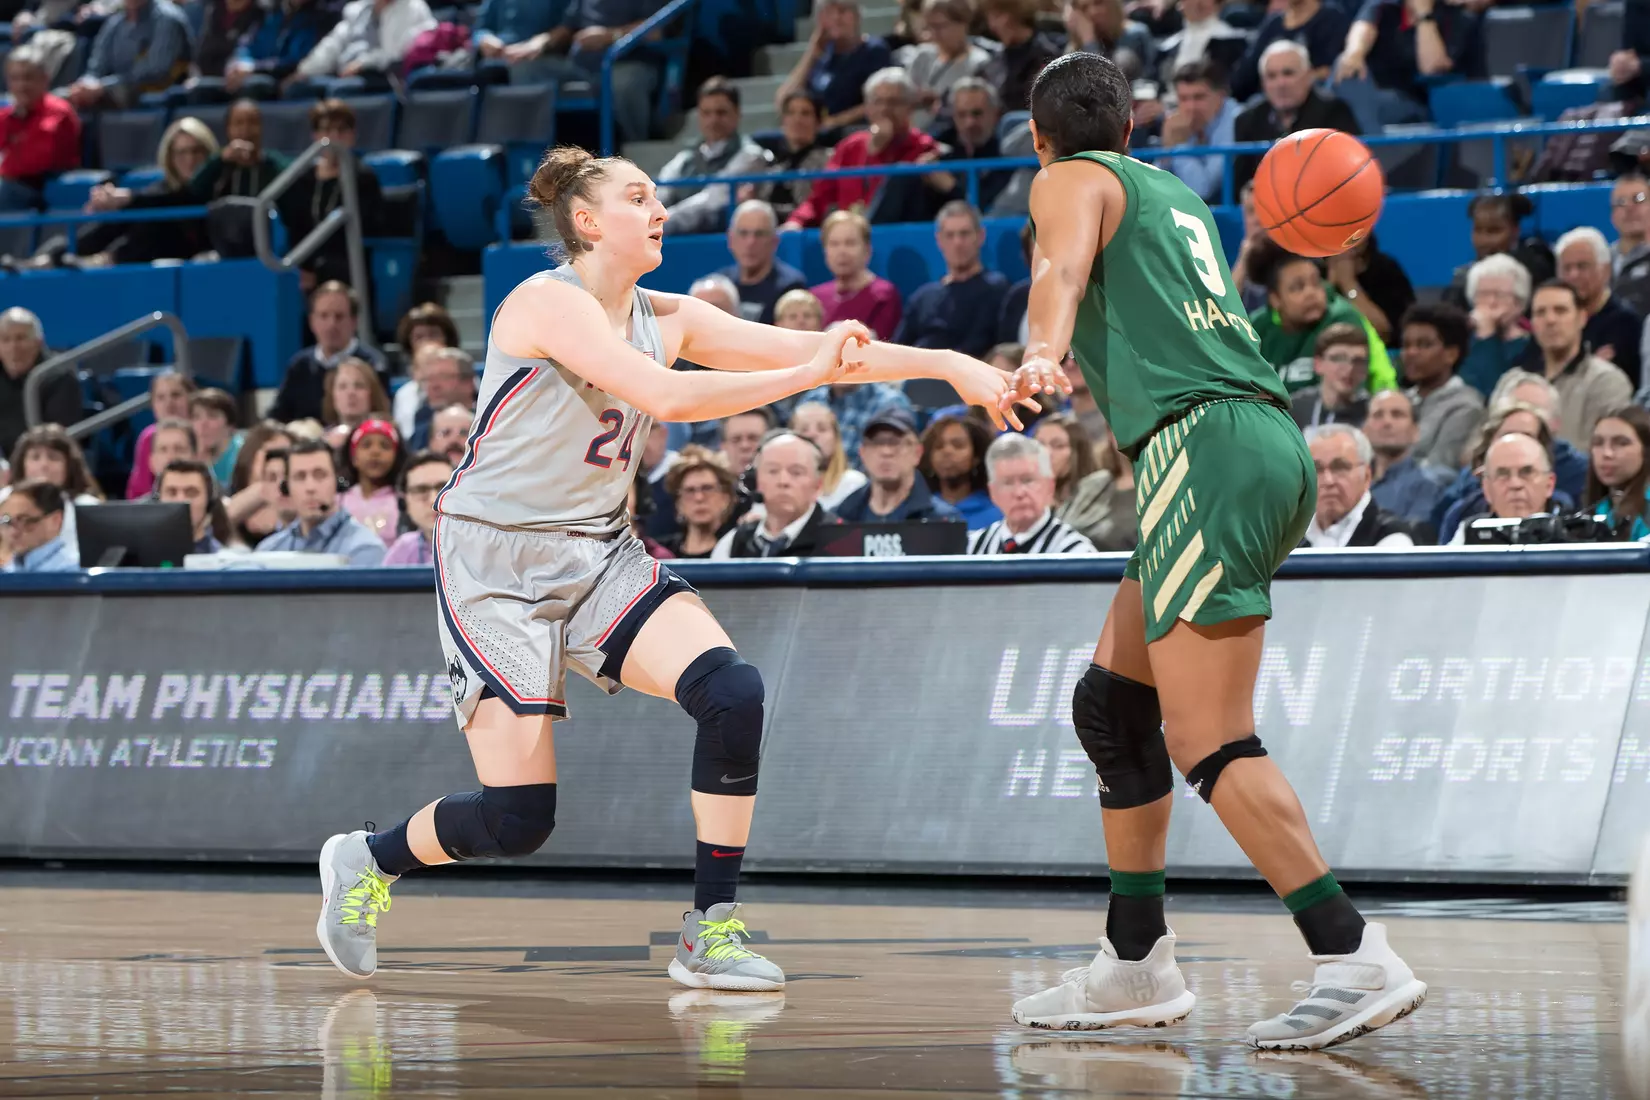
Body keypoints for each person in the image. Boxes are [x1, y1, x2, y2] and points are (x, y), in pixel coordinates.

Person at [312, 145, 1020, 990]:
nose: (660, 209)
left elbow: (830, 347)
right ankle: (367, 859)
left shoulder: (669, 314)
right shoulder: (546, 303)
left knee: (733, 693)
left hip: (599, 545)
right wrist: (810, 371)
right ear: (585, 220)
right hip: (494, 561)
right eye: (639, 196)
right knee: (517, 818)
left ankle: (709, 931)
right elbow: (673, 399)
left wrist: (948, 365)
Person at [1002, 52, 1425, 1049]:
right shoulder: (1173, 198)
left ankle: (1351, 948)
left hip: (1201, 446)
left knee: (1209, 734)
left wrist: (1039, 347)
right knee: (1112, 704)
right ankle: (1135, 957)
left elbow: (1058, 270)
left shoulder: (1065, 177)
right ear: (1135, 129)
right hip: (1249, 439)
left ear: (1038, 136)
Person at [1231, 41, 1359, 194]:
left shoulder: (1334, 111)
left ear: (1309, 76)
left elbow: (1347, 174)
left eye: (1288, 73)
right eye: (1272, 76)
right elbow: (1239, 185)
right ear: (1263, 83)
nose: (1281, 83)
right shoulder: (1247, 120)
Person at [656, 79, 774, 238]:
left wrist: (658, 224)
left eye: (721, 113)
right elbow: (659, 194)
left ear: (737, 114)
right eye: (706, 113)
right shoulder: (684, 158)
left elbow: (710, 201)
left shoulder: (751, 156)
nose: (713, 120)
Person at [895, 201, 1010, 358]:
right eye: (950, 235)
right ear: (939, 240)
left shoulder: (997, 289)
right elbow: (899, 349)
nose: (957, 243)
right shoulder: (923, 298)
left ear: (980, 236)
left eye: (964, 234)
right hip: (921, 375)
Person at [1528, 280, 1634, 448]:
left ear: (1582, 318)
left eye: (1560, 310)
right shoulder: (1514, 382)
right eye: (1540, 313)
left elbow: (1607, 454)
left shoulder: (1606, 381)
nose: (1550, 320)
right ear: (1532, 324)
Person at [270, 281, 389, 424]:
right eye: (324, 316)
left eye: (339, 316)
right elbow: (277, 418)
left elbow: (382, 415)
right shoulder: (299, 366)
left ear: (354, 321)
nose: (331, 324)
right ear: (312, 321)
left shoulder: (373, 364)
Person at [255, 438, 386, 565]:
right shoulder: (268, 551)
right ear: (286, 487)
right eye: (300, 477)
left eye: (320, 475)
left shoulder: (364, 550)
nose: (310, 487)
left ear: (338, 482)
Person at [967, 433, 1099, 554]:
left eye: (1028, 480)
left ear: (1049, 486)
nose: (1019, 493)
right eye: (1007, 483)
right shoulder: (972, 548)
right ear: (992, 492)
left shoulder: (1076, 552)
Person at [712, 432, 839, 557]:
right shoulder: (733, 544)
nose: (783, 481)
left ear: (817, 485)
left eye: (796, 472)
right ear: (757, 481)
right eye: (773, 471)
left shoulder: (844, 541)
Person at [1553, 226, 1645, 388]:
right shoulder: (1551, 320)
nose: (1573, 275)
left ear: (1606, 270)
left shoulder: (1625, 324)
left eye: (1582, 266)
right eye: (1567, 268)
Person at [836, 406, 964, 522]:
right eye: (877, 442)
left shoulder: (942, 521)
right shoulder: (841, 519)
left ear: (917, 453)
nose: (886, 451)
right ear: (862, 453)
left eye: (896, 442)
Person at [1301, 424, 1420, 548]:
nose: (1328, 480)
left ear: (1367, 476)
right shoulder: (1290, 535)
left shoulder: (1392, 538)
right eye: (1316, 469)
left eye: (1340, 467)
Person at [1399, 303, 1482, 472]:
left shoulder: (1466, 407)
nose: (1411, 352)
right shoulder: (1398, 401)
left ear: (1451, 354)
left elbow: (1440, 471)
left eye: (1424, 345)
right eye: (1406, 345)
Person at [1036, 412, 1136, 550]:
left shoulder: (1157, 488)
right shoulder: (1091, 484)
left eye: (1058, 445)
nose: (1046, 453)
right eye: (1039, 444)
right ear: (1108, 433)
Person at [1441, 192, 1554, 311]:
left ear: (1515, 230)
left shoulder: (1536, 270)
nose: (1483, 240)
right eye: (1478, 230)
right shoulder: (1463, 278)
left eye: (1493, 231)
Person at [0, 49, 81, 213]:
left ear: (45, 79)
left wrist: (4, 167)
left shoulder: (58, 111)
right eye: (15, 79)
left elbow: (36, 161)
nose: (22, 85)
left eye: (28, 77)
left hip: (45, 184)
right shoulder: (8, 114)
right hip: (12, 184)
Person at [1447, 432, 1560, 544]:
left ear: (1549, 484)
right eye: (1503, 474)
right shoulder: (1469, 534)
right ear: (1486, 488)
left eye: (1526, 472)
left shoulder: (1574, 533)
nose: (1515, 484)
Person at [0, 306, 80, 460]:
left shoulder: (60, 377)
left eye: (21, 338)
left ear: (38, 342)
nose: (13, 348)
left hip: (41, 464)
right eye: (5, 340)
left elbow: (56, 441)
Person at [1158, 60, 1240, 206]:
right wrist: (1166, 151)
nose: (1191, 107)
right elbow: (1154, 186)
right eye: (1184, 99)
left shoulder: (1237, 119)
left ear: (1221, 96)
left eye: (1199, 97)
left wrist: (1180, 145)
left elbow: (1202, 191)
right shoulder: (1178, 122)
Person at [812, 210, 903, 341]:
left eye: (850, 243)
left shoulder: (883, 296)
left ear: (867, 250)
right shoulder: (815, 298)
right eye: (834, 244)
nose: (841, 251)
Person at [1364, 389, 1446, 528]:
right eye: (1378, 415)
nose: (1387, 422)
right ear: (1364, 429)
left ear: (1415, 431)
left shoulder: (1427, 486)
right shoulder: (1351, 481)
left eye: (1397, 415)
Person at [716, 200, 807, 324]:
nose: (750, 242)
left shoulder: (790, 286)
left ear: (774, 241)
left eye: (759, 234)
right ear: (730, 239)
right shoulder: (722, 286)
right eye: (743, 233)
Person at [1459, 252, 1532, 400]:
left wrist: (1487, 336)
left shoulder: (1530, 346)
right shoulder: (1461, 340)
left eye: (1500, 295)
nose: (1491, 302)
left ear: (1518, 303)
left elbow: (1495, 393)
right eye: (1483, 294)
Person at [920, 411, 1001, 530]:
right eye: (939, 446)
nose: (947, 451)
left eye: (958, 445)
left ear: (976, 457)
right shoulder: (919, 512)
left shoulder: (997, 514)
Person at [125, 370, 196, 499]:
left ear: (191, 398)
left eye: (176, 395)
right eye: (160, 397)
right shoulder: (148, 438)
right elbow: (138, 492)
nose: (169, 403)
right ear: (153, 404)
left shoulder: (202, 431)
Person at [1289, 323, 1370, 430]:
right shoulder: (1295, 409)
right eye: (1339, 358)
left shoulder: (1371, 412)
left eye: (1358, 361)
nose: (1350, 368)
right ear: (1318, 364)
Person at [1585, 405, 1650, 540]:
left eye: (1621, 443)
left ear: (1646, 451)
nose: (1606, 453)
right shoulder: (1599, 509)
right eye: (1598, 442)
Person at [661, 446, 738, 558]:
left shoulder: (738, 548)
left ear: (725, 498)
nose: (699, 497)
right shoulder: (663, 554)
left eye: (707, 488)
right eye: (690, 490)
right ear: (679, 503)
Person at [789, 401, 867, 510]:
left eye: (822, 429)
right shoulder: (782, 485)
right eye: (804, 429)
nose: (812, 434)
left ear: (836, 438)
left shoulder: (853, 483)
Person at [340, 417, 405, 546]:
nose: (375, 452)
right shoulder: (338, 501)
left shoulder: (404, 502)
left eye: (385, 446)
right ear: (353, 457)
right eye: (366, 445)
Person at [384, 450, 453, 565]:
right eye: (421, 490)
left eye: (443, 487)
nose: (433, 500)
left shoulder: (486, 545)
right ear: (405, 501)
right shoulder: (402, 551)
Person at [0, 479, 77, 572]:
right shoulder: (7, 571)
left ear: (55, 521)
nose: (13, 532)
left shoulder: (72, 573)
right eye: (7, 521)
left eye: (25, 521)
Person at [156, 458, 229, 553]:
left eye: (191, 493)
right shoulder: (138, 562)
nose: (180, 501)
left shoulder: (226, 563)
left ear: (209, 502)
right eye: (172, 492)